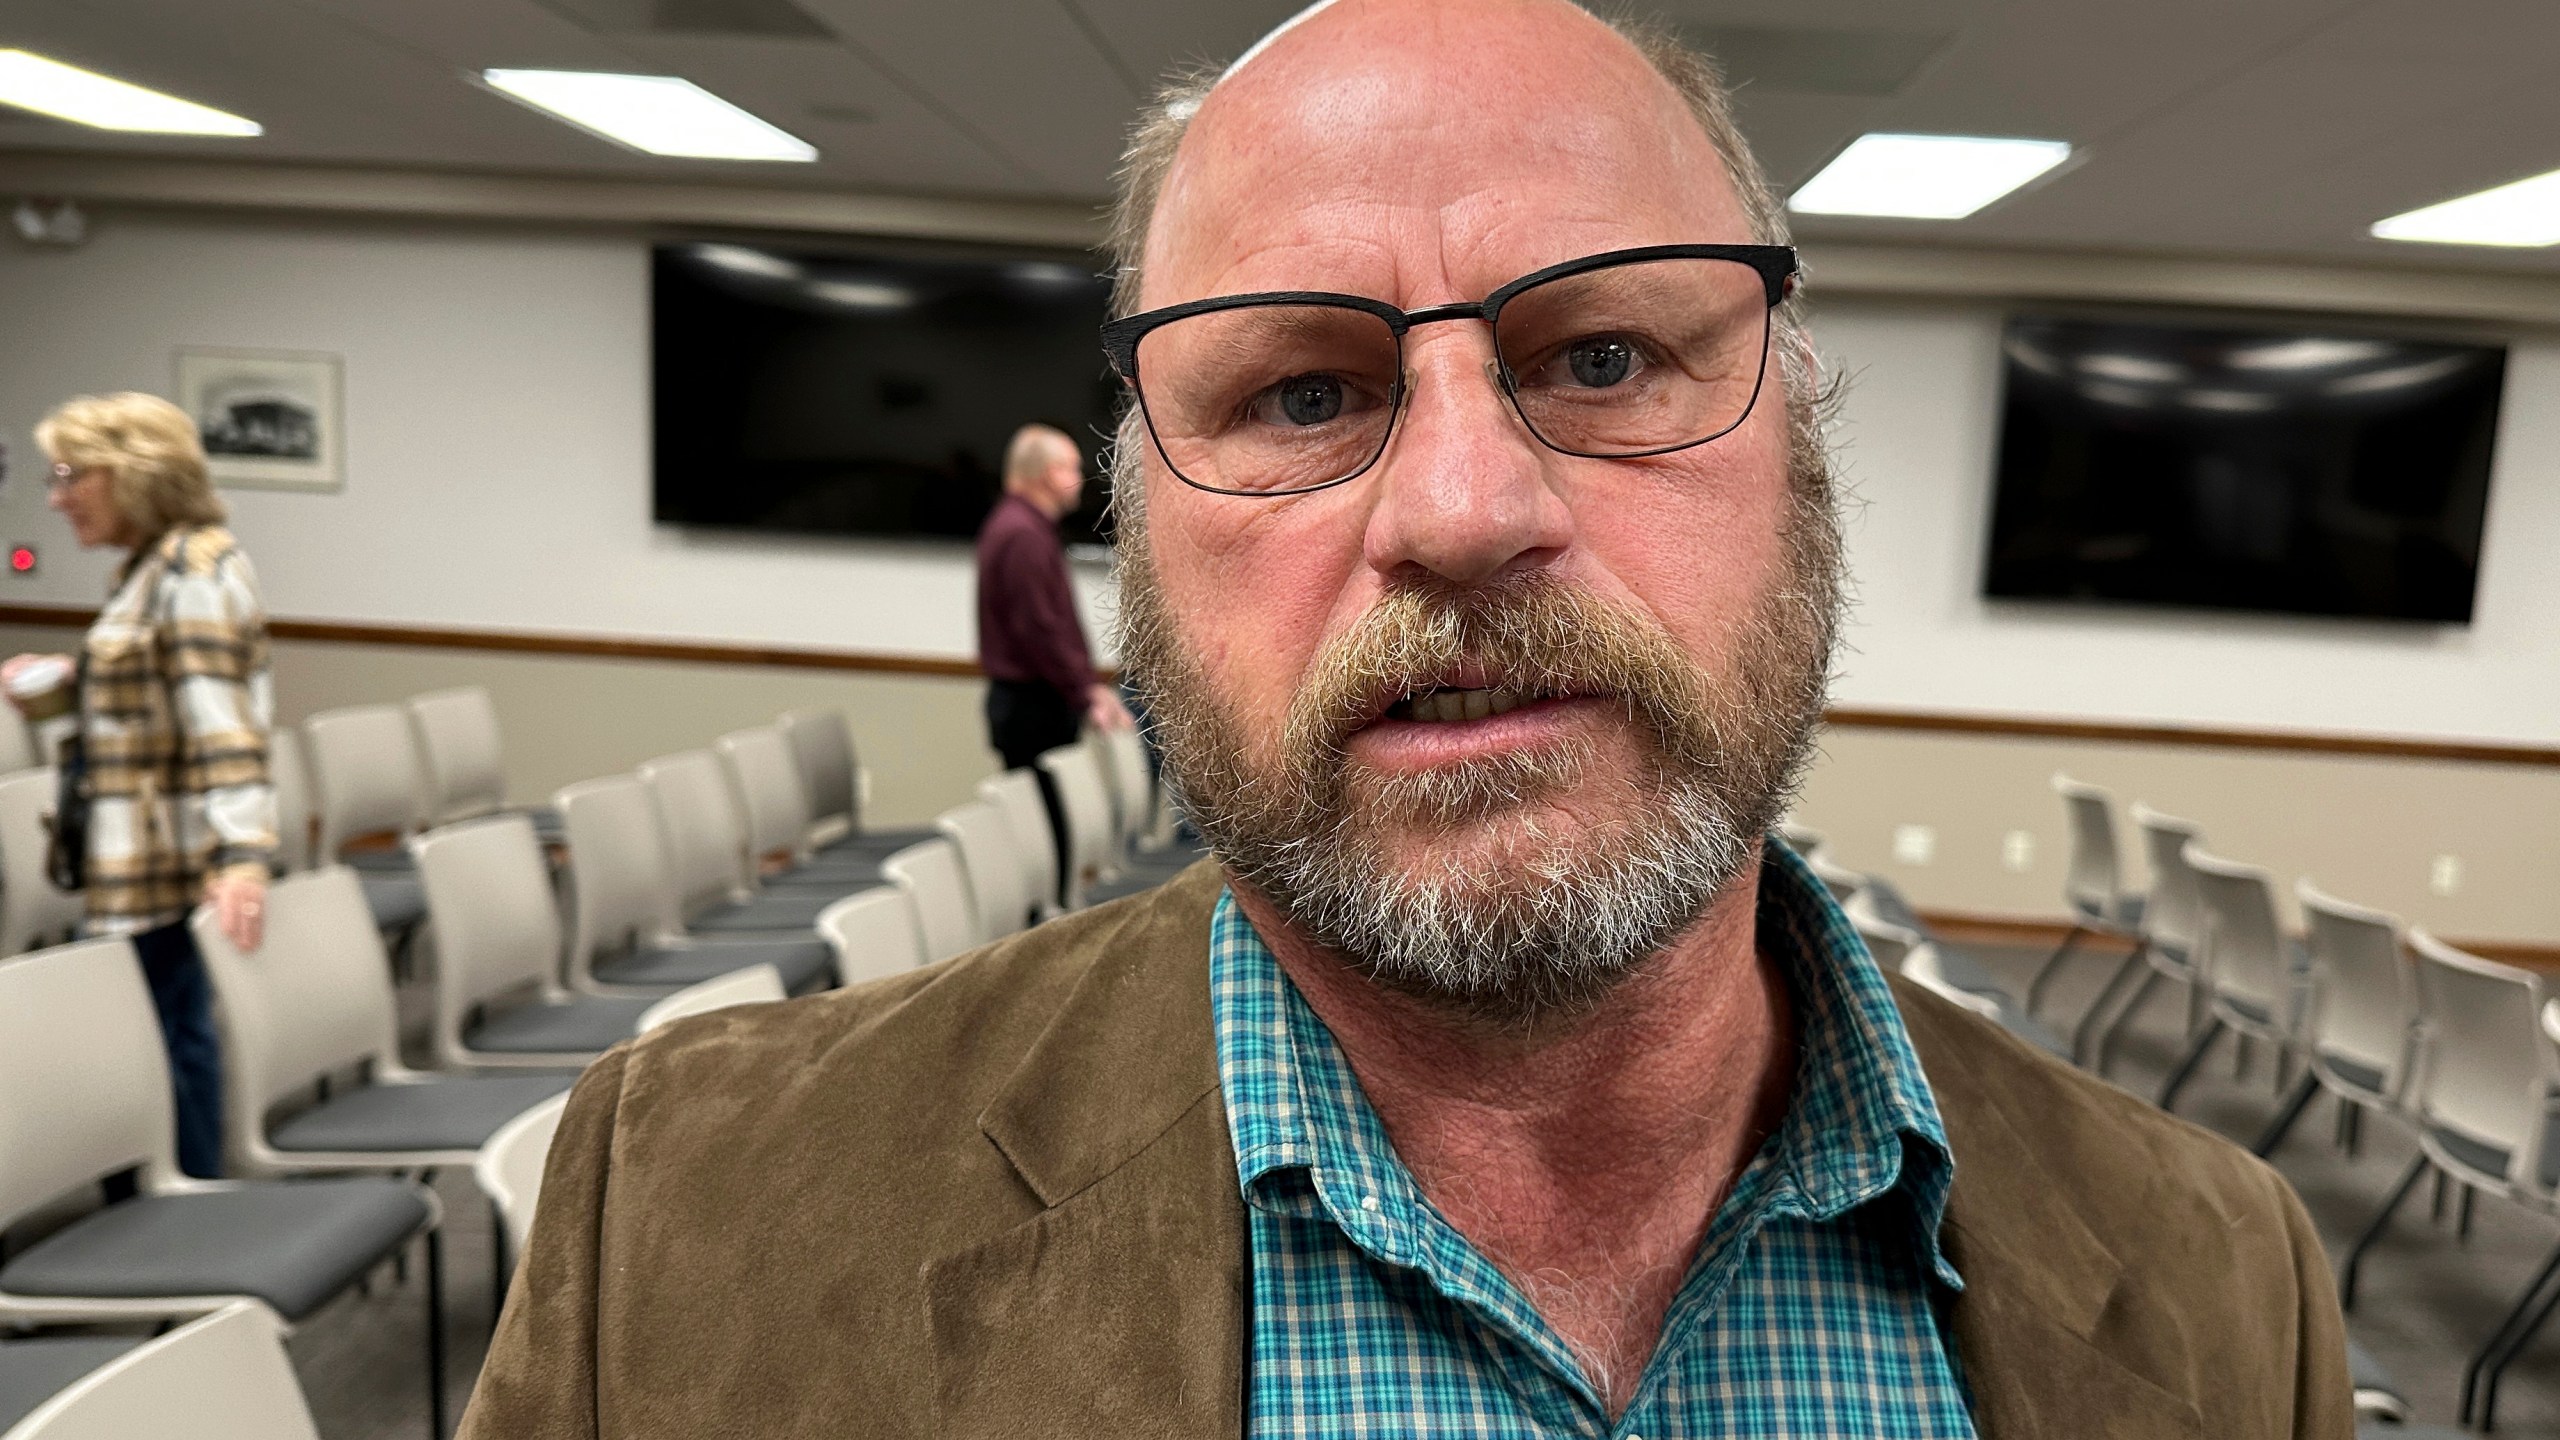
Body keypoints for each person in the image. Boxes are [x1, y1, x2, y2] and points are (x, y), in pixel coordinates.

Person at [462, 3, 2351, 1436]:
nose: (1459, 513)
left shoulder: (2225, 1278)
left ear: (1806, 450)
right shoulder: (688, 1221)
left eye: (1603, 359)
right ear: (1134, 527)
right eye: (1298, 395)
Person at [8, 392, 276, 1180]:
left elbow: (223, 725)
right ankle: (178, 1213)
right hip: (134, 861)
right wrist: (62, 679)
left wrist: (242, 857)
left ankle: (181, 1226)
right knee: (158, 1045)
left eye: (68, 477)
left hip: (167, 867)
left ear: (132, 473)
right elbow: (150, 695)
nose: (55, 500)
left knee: (161, 1054)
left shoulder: (193, 572)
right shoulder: (148, 571)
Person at [974, 422, 1130, 884]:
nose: (1080, 478)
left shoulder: (1023, 527)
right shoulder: (1022, 533)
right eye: (1072, 468)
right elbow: (1041, 630)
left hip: (1035, 702)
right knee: (1048, 838)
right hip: (1033, 707)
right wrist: (1086, 693)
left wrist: (1086, 690)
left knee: (1051, 834)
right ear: (1047, 472)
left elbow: (1049, 626)